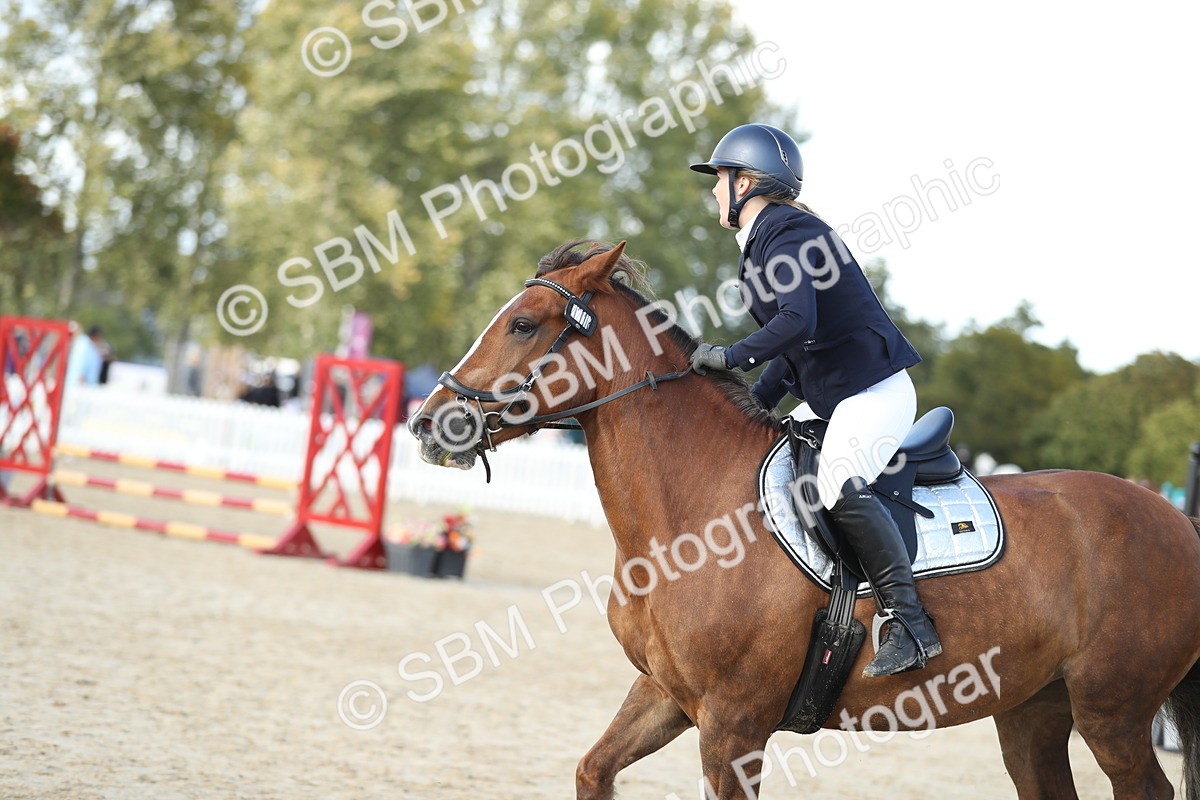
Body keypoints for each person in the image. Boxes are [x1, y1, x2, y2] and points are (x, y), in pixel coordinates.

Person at [687, 123, 941, 678]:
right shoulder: (766, 237)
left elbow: (798, 320)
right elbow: (799, 344)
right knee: (766, 466)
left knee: (834, 481)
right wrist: (754, 402)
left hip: (872, 392)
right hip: (832, 395)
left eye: (720, 178)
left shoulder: (789, 233)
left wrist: (731, 358)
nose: (713, 190)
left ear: (747, 183)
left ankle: (910, 621)